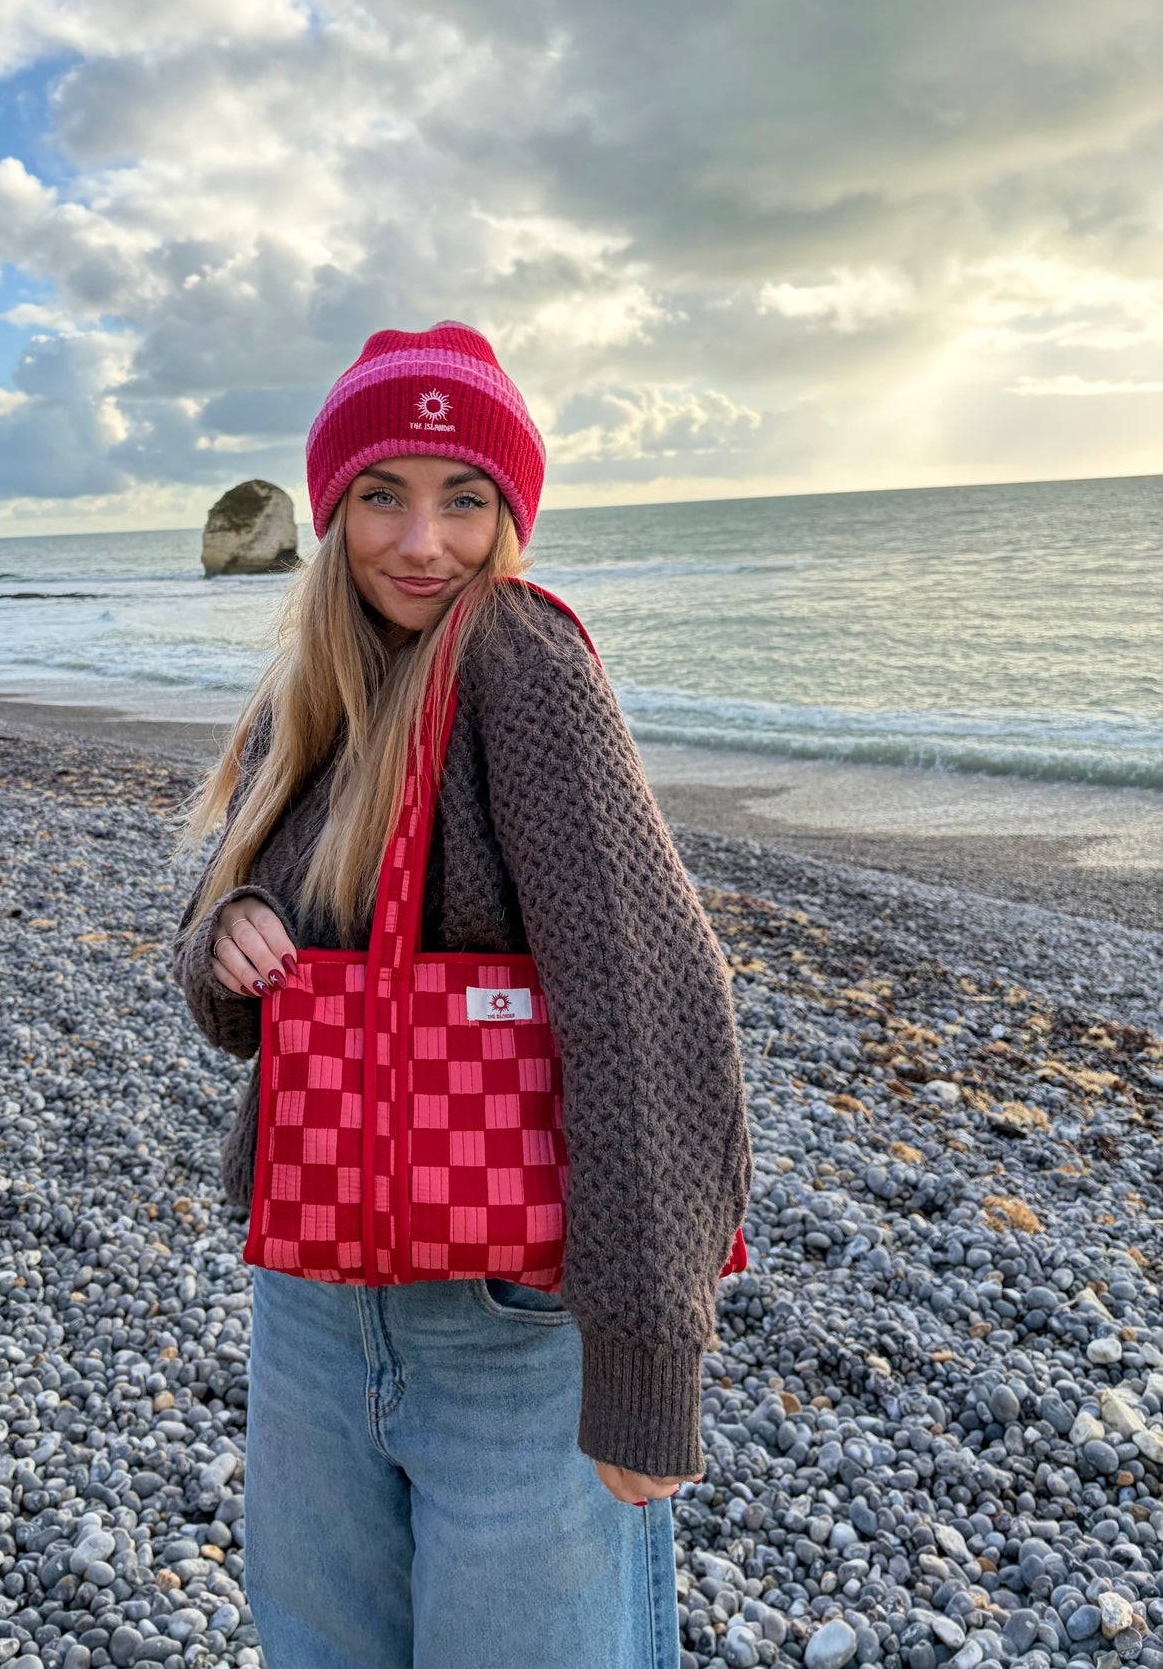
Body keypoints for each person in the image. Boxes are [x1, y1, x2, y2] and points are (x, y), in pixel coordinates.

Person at [171, 320, 753, 1669]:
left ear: (507, 518)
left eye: (462, 499)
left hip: (506, 1304)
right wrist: (231, 938)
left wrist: (648, 1366)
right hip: (313, 1290)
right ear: (331, 512)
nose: (418, 542)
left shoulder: (520, 662)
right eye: (381, 495)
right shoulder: (307, 694)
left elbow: (646, 997)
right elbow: (204, 950)